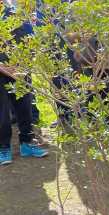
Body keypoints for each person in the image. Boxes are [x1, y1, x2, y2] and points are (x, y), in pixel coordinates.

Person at [0, 3, 48, 165]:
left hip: (20, 69)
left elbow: (31, 38)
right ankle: (3, 148)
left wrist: (24, 65)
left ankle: (27, 143)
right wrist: (4, 68)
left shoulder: (15, 11)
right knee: (2, 112)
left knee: (25, 107)